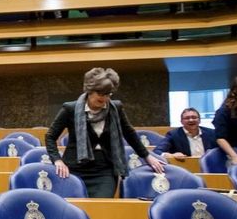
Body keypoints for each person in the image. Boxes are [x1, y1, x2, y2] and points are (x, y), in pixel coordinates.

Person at [46, 68, 165, 198]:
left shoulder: (116, 109)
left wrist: (147, 156)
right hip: (74, 168)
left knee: (101, 208)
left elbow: (129, 133)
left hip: (105, 170)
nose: (105, 98)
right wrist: (57, 160)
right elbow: (50, 136)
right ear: (89, 90)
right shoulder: (70, 109)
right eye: (101, 93)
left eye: (108, 94)